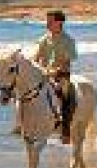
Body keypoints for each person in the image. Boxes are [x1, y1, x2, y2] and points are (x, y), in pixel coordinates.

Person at [32, 9, 78, 142]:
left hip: (61, 75)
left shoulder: (68, 40)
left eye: (50, 21)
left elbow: (67, 61)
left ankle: (65, 131)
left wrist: (54, 71)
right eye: (47, 21)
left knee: (66, 95)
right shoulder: (43, 40)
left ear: (59, 22)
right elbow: (36, 58)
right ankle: (22, 124)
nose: (47, 24)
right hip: (44, 74)